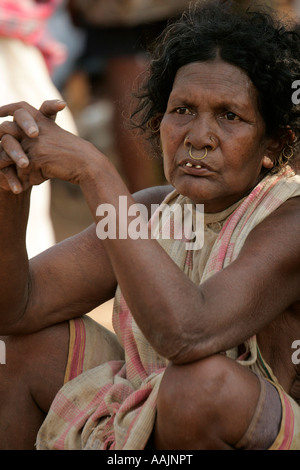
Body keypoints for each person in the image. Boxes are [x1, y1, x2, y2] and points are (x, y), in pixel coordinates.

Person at [0, 0, 299, 450]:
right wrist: (10, 189)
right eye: (182, 111)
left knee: (198, 388)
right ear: (159, 123)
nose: (198, 137)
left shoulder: (289, 219)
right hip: (162, 395)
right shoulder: (154, 212)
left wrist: (95, 173)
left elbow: (187, 334)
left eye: (230, 116)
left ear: (273, 145)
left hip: (257, 420)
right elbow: (17, 307)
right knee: (15, 350)